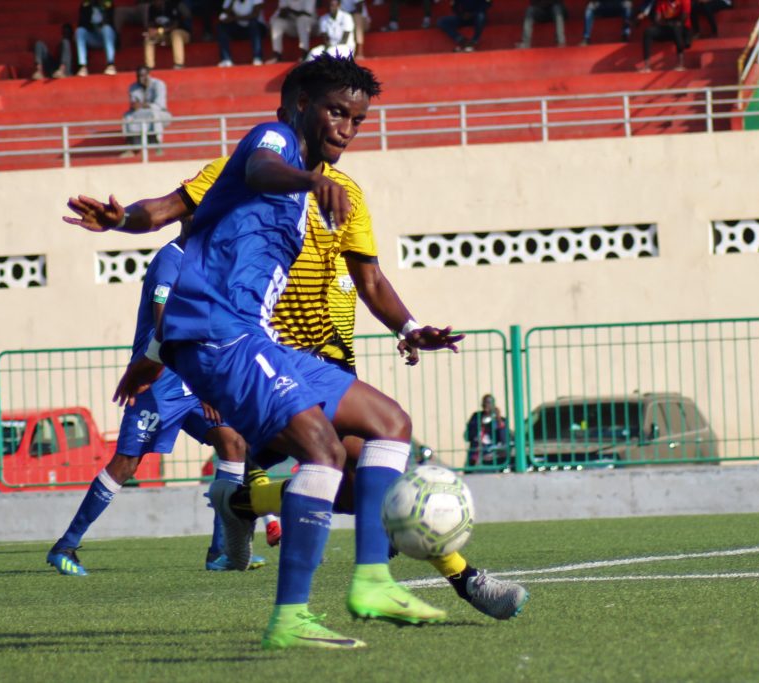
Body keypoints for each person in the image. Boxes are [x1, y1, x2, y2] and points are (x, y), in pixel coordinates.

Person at [65, 64, 529, 624]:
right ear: (302, 103)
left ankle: (247, 506)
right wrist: (128, 230)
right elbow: (184, 207)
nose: (346, 129)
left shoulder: (343, 192)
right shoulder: (269, 147)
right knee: (338, 461)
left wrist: (409, 329)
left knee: (384, 441)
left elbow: (370, 279)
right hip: (243, 351)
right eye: (337, 112)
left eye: (357, 119)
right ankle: (439, 581)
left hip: (305, 355)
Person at [46, 222, 264, 575]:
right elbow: (165, 328)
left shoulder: (208, 263)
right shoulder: (170, 261)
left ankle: (221, 551)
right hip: (158, 380)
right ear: (191, 218)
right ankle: (66, 545)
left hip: (191, 378)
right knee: (127, 463)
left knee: (232, 442)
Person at [121, 65, 172, 157]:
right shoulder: (133, 87)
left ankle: (157, 145)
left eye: (143, 75)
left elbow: (159, 105)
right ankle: (132, 146)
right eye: (138, 76)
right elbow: (134, 105)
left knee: (153, 114)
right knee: (127, 116)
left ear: (148, 75)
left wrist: (142, 105)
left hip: (162, 114)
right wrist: (135, 106)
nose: (140, 78)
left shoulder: (159, 84)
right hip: (143, 113)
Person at [637, 0, 690, 72]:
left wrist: (671, 23)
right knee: (648, 32)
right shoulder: (661, 1)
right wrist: (666, 23)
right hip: (668, 26)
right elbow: (657, 19)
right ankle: (647, 66)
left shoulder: (685, 1)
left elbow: (683, 18)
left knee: (676, 28)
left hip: (683, 28)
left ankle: (680, 64)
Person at [143, 0, 192, 70]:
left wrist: (159, 31)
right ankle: (149, 67)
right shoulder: (151, 8)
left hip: (182, 34)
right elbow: (150, 25)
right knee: (148, 39)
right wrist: (151, 31)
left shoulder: (172, 5)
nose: (156, 2)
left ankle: (179, 64)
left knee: (175, 34)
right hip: (164, 36)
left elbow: (175, 25)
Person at [465, 393, 509, 469]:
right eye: (484, 403)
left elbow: (504, 439)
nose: (486, 405)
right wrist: (481, 423)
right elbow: (468, 436)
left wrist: (498, 418)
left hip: (493, 451)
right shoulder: (476, 416)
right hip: (477, 450)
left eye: (489, 403)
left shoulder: (501, 420)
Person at [216, 0, 265, 66]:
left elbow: (255, 15)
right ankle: (226, 59)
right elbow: (225, 14)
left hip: (258, 29)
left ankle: (258, 57)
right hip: (239, 28)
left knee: (253, 23)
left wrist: (234, 18)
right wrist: (232, 2)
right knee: (221, 27)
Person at [75, 0, 118, 76]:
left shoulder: (108, 4)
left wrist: (101, 7)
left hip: (108, 38)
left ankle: (110, 65)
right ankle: (83, 66)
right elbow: (82, 24)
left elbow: (110, 20)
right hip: (94, 37)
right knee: (79, 31)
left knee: (106, 29)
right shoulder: (85, 5)